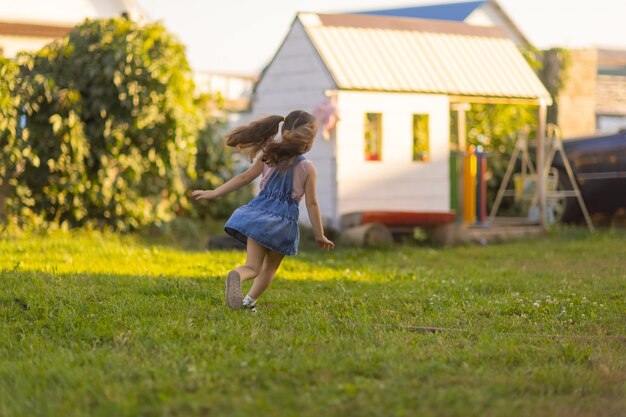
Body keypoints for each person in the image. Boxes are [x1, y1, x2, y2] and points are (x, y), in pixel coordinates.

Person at [192, 110, 334, 312]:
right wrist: (319, 234)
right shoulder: (308, 168)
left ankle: (238, 275)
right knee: (270, 268)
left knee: (252, 267)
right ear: (308, 140)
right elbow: (312, 204)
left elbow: (244, 178)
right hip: (283, 224)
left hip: (258, 216)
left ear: (283, 130)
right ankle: (248, 302)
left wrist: (214, 192)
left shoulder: (268, 155)